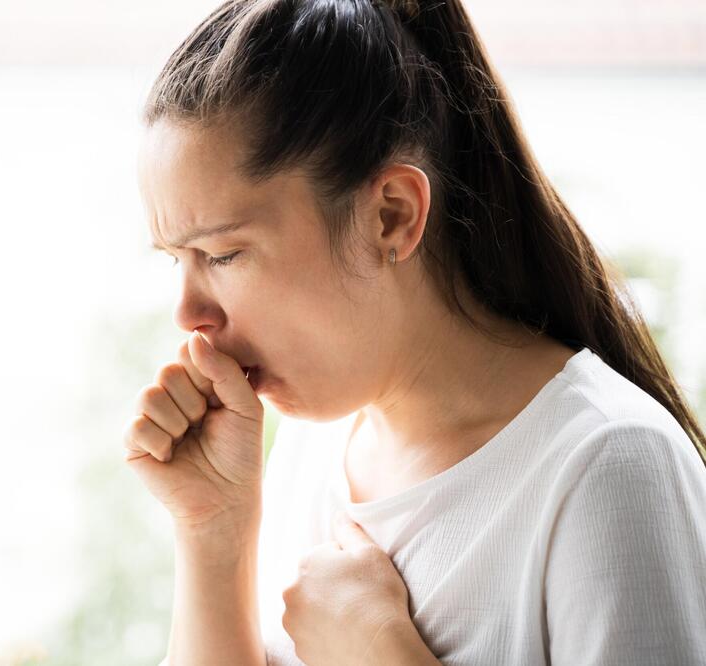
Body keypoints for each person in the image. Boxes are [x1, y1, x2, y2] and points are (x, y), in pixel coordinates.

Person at [121, 1, 706, 664]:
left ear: (392, 216)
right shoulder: (313, 447)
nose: (188, 312)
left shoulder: (608, 468)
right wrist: (213, 535)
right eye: (176, 260)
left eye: (222, 256)